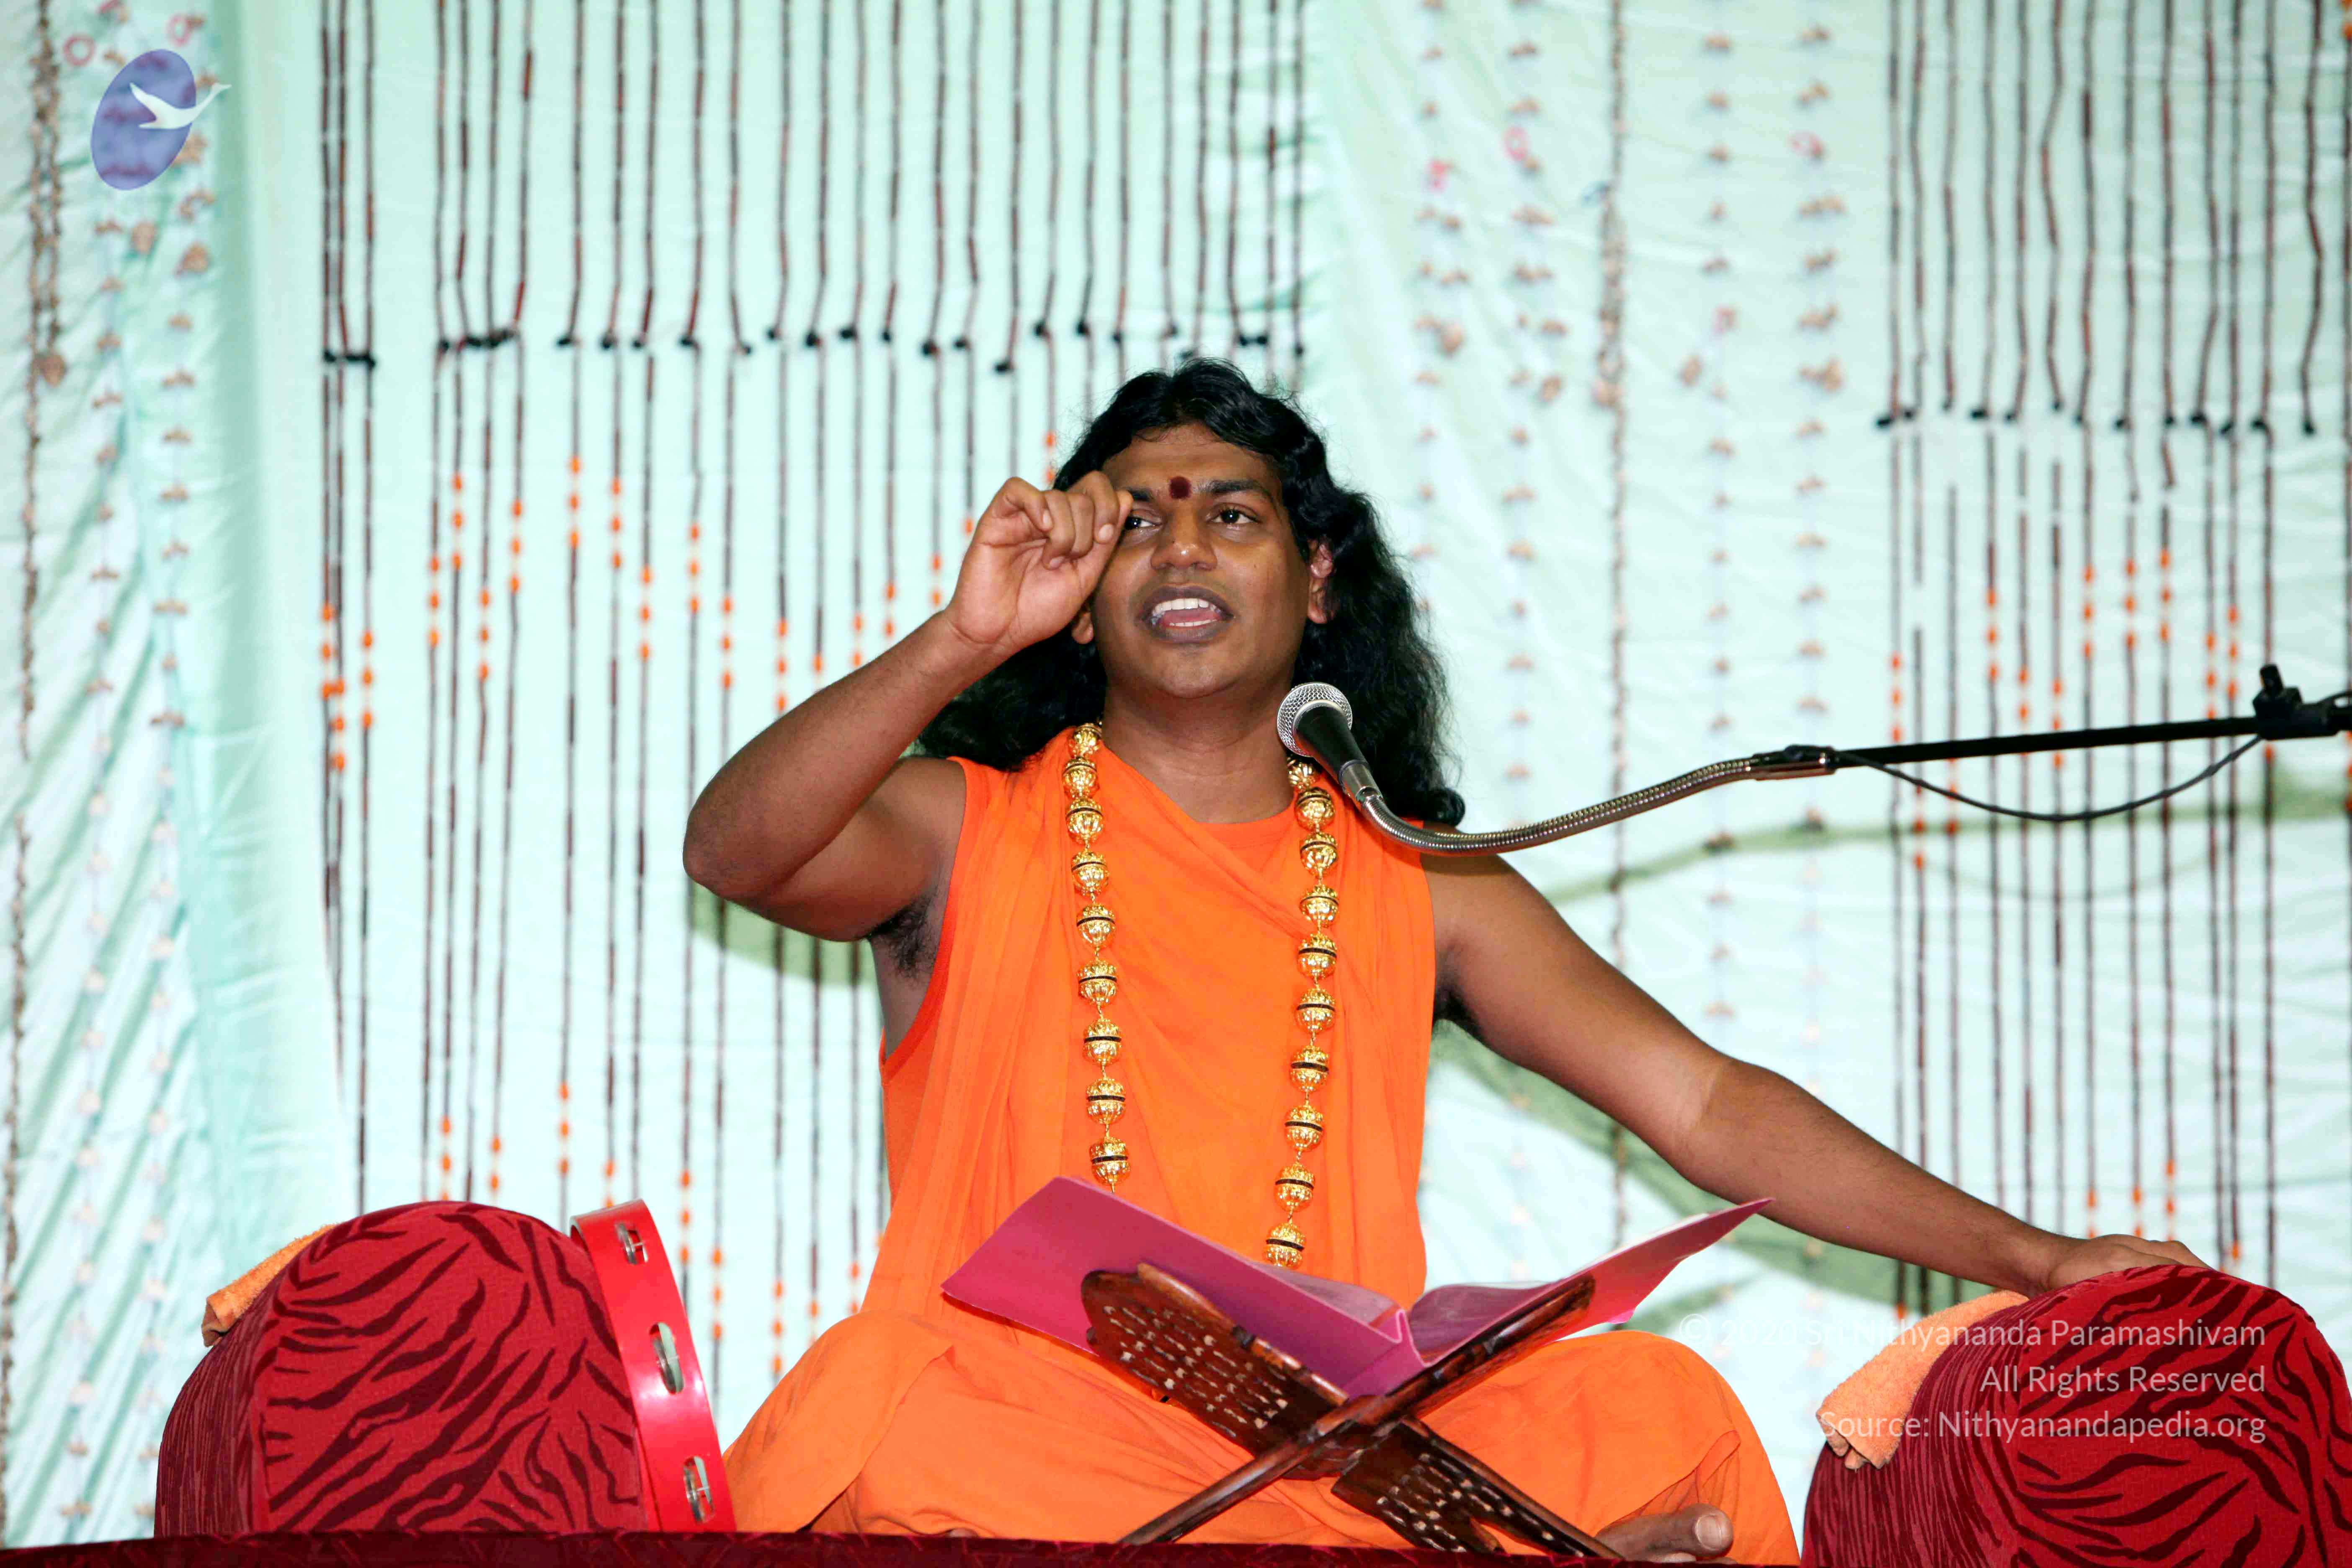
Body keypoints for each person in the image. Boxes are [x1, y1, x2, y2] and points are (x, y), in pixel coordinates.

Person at [686, 359, 2202, 1562]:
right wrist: (962, 641)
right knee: (907, 1417)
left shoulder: (1417, 879)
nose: (1183, 545)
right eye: (1136, 520)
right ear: (1080, 599)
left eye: (1232, 514)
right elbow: (736, 852)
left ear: (1319, 580)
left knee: (1662, 1406)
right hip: (1039, 1426)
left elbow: (1706, 1105)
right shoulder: (963, 827)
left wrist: (2036, 1262)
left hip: (1337, 1452)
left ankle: (1447, 1535)